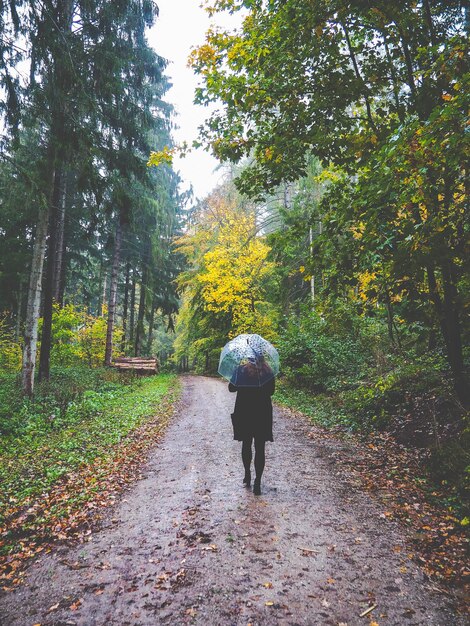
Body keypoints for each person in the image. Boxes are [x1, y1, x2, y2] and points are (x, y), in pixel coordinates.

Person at [229, 361, 275, 496]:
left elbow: (231, 388)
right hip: (262, 412)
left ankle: (247, 474)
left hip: (245, 411)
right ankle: (258, 482)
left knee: (246, 443)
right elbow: (271, 391)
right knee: (260, 447)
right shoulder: (268, 371)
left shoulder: (241, 370)